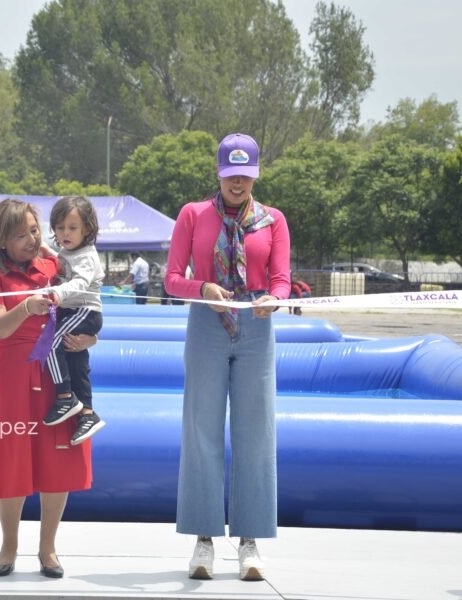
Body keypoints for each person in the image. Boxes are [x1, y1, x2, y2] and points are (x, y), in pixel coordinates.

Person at [164, 133, 290, 581]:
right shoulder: (192, 214)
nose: (238, 183)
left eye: (246, 175)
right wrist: (202, 288)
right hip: (206, 322)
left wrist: (274, 299)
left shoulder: (274, 220)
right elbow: (172, 279)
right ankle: (203, 539)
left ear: (256, 175)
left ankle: (250, 540)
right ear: (218, 173)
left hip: (256, 325)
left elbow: (281, 278)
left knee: (257, 432)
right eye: (231, 174)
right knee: (201, 429)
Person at [0, 198, 95, 579]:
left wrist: (90, 337)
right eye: (20, 234)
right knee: (11, 461)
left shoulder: (54, 265)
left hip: (58, 378)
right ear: (1, 240)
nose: (31, 239)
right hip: (13, 380)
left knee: (57, 460)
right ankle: (8, 546)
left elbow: (87, 301)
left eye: (33, 231)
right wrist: (26, 307)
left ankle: (48, 549)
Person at [41, 196, 105, 445]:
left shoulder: (87, 256)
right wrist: (46, 251)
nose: (65, 233)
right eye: (60, 228)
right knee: (76, 359)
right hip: (74, 312)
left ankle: (65, 397)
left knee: (51, 343)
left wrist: (58, 292)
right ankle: (88, 413)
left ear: (87, 229)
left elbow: (79, 282)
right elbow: (62, 264)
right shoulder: (69, 252)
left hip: (84, 311)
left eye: (72, 227)